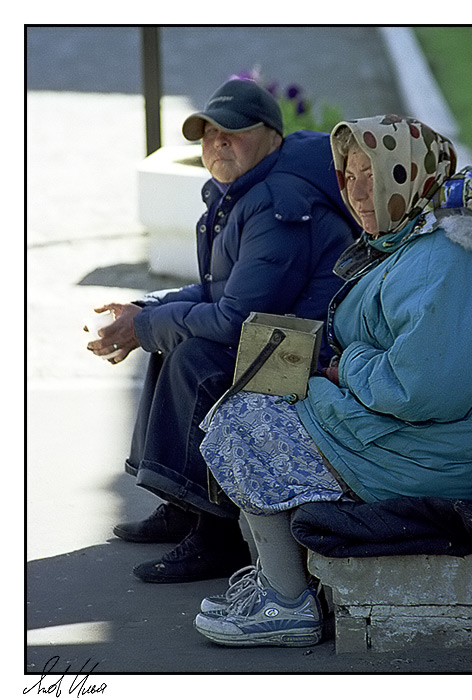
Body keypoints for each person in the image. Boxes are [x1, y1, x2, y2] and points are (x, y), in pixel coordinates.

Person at [192, 114, 472, 647]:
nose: (356, 190)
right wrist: (339, 373)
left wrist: (346, 368)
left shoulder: (452, 261)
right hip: (418, 435)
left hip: (437, 451)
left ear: (408, 174)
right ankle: (275, 579)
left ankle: (287, 604)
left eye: (372, 174)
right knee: (254, 398)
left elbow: (424, 390)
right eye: (349, 174)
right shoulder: (416, 239)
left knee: (247, 423)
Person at [86, 79, 357, 583]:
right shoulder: (243, 192)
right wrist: (146, 309)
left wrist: (146, 327)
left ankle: (216, 533)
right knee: (171, 341)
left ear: (272, 136)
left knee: (195, 358)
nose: (217, 143)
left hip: (306, 355)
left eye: (232, 133)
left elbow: (237, 320)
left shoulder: (280, 205)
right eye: (208, 134)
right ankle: (182, 502)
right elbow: (219, 293)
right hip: (272, 338)